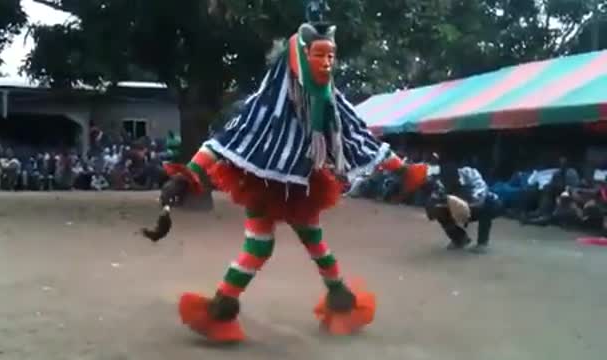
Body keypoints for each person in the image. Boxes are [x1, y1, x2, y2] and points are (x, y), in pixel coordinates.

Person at [145, 21, 428, 342]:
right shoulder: (267, 104)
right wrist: (189, 175)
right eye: (319, 55)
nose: (327, 63)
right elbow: (225, 141)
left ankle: (339, 301)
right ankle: (221, 308)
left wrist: (403, 169)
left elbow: (361, 136)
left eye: (332, 56)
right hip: (264, 184)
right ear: (298, 58)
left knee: (315, 244)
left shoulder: (331, 102)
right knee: (260, 247)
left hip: (304, 185)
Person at [425, 161, 502, 253]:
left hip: (486, 204)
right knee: (438, 210)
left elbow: (481, 194)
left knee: (487, 203)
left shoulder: (470, 173)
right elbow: (434, 201)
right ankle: (460, 239)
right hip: (464, 208)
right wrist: (437, 205)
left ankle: (482, 242)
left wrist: (462, 203)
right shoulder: (441, 183)